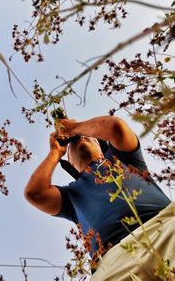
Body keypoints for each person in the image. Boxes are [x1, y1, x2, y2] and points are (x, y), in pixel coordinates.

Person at [24, 115, 174, 280]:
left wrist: (74, 128)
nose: (80, 138)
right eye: (72, 143)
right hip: (114, 264)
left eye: (87, 136)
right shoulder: (70, 197)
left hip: (164, 226)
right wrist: (55, 152)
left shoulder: (124, 159)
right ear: (70, 163)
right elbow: (34, 193)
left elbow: (116, 127)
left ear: (101, 146)